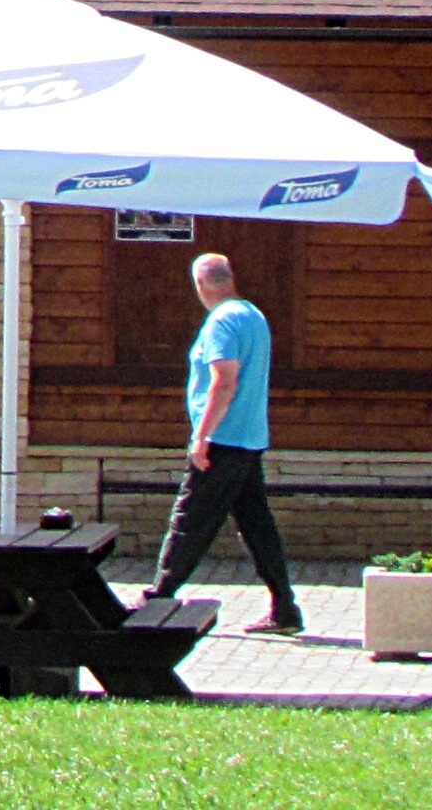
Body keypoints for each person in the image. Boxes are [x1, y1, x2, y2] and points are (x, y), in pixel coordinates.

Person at [142, 252, 302, 635]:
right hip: (249, 439)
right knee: (256, 524)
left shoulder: (221, 322)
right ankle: (285, 609)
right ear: (229, 278)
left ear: (200, 284)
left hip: (223, 439)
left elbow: (223, 380)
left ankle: (159, 596)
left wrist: (202, 436)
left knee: (189, 519)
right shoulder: (253, 315)